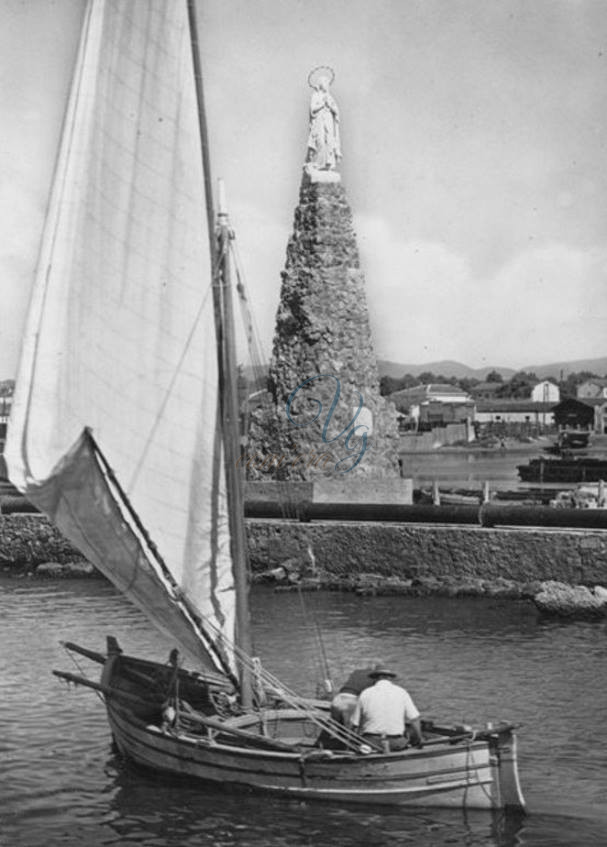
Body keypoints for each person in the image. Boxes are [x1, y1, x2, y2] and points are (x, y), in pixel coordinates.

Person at [352, 663, 423, 752]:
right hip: (396, 742)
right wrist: (419, 740)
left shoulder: (365, 693)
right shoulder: (402, 692)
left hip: (370, 743)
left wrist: (353, 743)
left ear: (375, 678)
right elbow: (415, 719)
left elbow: (355, 725)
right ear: (390, 678)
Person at [306, 76, 341, 171]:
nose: (327, 86)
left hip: (328, 119)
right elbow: (312, 109)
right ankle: (318, 164)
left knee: (329, 141)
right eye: (325, 84)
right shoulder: (316, 95)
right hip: (319, 121)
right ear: (321, 84)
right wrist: (322, 104)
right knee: (320, 141)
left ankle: (328, 164)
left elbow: (336, 110)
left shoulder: (329, 97)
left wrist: (330, 105)